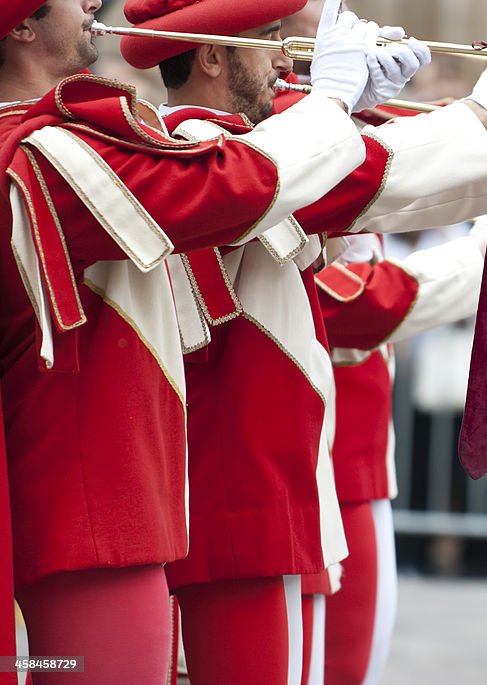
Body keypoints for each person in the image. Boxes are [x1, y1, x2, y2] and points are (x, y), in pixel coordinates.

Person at [118, 0, 487, 681]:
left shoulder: (244, 145)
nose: (287, 59)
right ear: (212, 56)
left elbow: (367, 179)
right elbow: (370, 196)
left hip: (279, 486)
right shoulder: (204, 149)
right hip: (243, 498)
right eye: (271, 39)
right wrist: (485, 117)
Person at [0, 1, 380, 682]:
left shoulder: (57, 137)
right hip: (94, 519)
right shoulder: (43, 148)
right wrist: (334, 106)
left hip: (107, 512)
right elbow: (230, 185)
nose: (93, 4)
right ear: (22, 25)